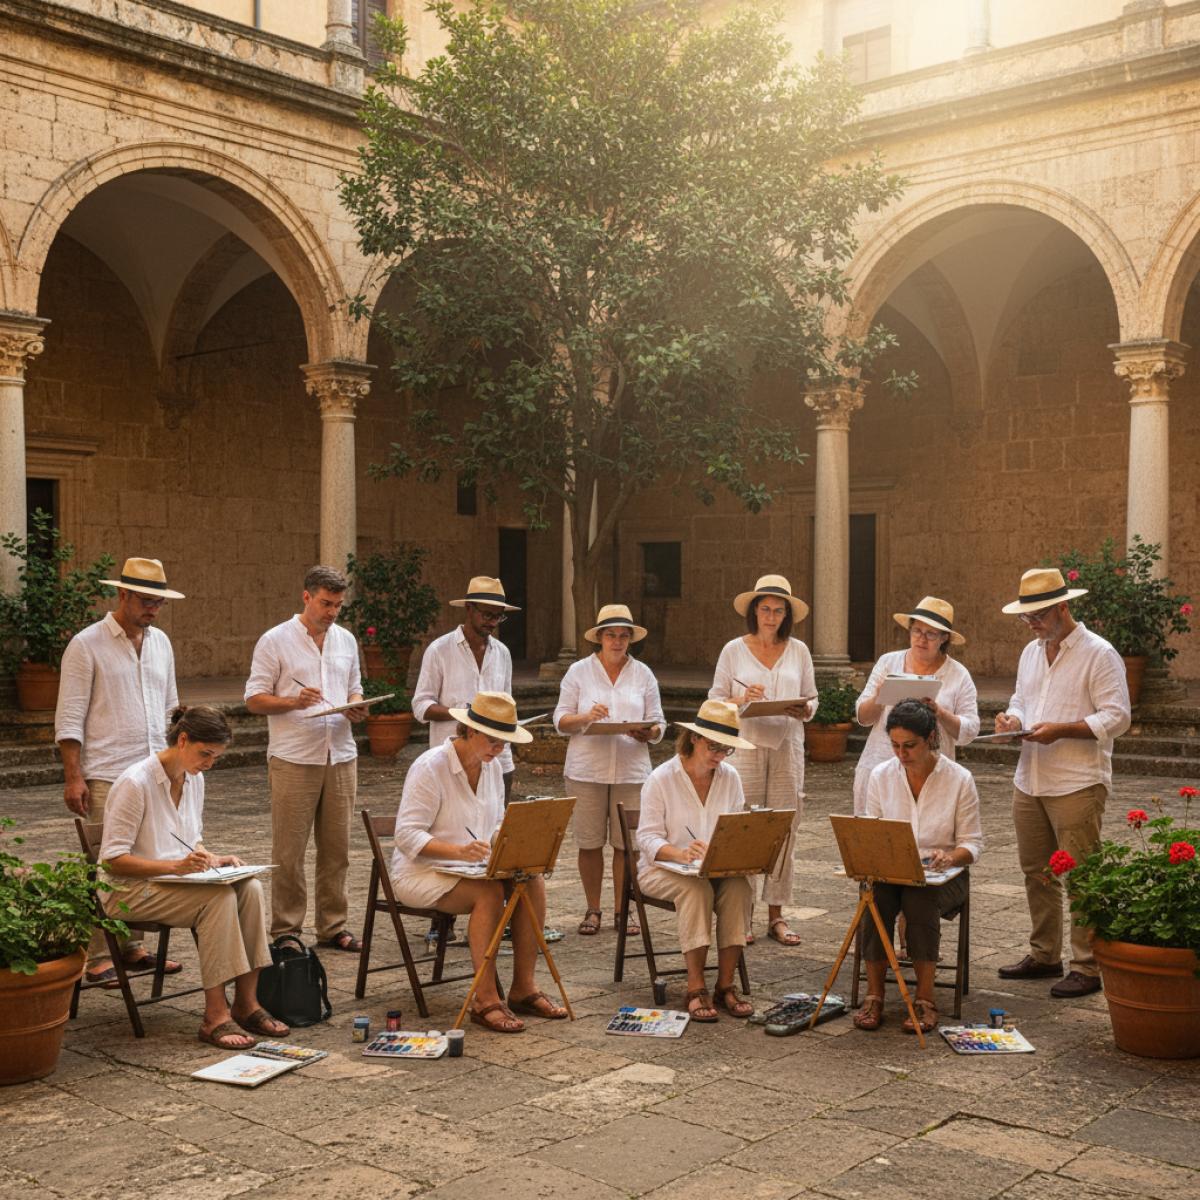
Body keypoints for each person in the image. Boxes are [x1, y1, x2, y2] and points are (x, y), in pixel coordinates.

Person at [99, 705, 289, 1049]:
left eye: (216, 756)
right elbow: (112, 861)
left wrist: (213, 859)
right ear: (182, 740)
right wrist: (175, 868)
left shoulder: (193, 779)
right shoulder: (135, 782)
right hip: (127, 890)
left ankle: (247, 1002)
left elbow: (189, 839)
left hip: (173, 884)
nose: (210, 763)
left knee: (250, 887)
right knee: (217, 899)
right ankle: (214, 1015)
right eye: (206, 754)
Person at [390, 691, 568, 1033]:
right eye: (493, 740)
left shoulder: (493, 766)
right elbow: (406, 836)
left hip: (473, 869)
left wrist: (514, 847)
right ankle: (485, 999)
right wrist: (457, 851)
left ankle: (523, 987)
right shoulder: (430, 767)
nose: (498, 750)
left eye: (504, 743)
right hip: (422, 872)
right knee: (486, 895)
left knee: (531, 879)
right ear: (468, 731)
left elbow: (496, 823)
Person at [994, 567, 1131, 998]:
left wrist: (1062, 729)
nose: (1031, 623)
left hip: (1076, 780)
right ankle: (1045, 954)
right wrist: (1011, 718)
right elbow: (1021, 698)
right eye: (1025, 616)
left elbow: (1118, 716)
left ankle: (1088, 966)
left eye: (1038, 615)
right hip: (1030, 777)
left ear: (1062, 607)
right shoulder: (1031, 652)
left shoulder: (1099, 653)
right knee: (1037, 872)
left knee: (1081, 875)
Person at [55, 556, 185, 986]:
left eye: (159, 602)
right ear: (123, 594)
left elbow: (171, 708)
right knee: (107, 864)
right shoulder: (86, 644)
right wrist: (74, 776)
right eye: (146, 600)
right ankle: (96, 956)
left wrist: (178, 764)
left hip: (154, 772)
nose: (153, 608)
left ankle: (130, 947)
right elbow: (69, 718)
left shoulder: (161, 643)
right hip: (108, 772)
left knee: (145, 859)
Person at [245, 565, 366, 953]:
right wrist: (293, 702)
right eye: (326, 604)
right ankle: (286, 930)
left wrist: (356, 706)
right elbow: (254, 699)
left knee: (337, 849)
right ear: (306, 597)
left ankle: (333, 926)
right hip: (294, 756)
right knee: (290, 850)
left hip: (341, 754)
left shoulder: (345, 640)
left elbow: (355, 688)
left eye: (338, 605)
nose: (331, 612)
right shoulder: (274, 640)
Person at [854, 699, 983, 1034]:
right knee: (875, 896)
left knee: (920, 897)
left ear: (931, 738)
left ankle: (925, 997)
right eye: (895, 746)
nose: (901, 754)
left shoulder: (959, 779)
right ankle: (875, 994)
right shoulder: (882, 776)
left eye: (909, 746)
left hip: (944, 877)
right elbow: (871, 831)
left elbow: (973, 843)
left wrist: (950, 857)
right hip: (893, 872)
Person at [708, 574, 815, 946]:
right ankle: (744, 915)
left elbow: (811, 697)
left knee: (785, 827)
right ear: (754, 611)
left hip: (788, 744)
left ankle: (777, 914)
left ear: (787, 614)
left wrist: (805, 709)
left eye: (778, 610)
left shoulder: (798, 650)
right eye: (765, 609)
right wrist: (742, 701)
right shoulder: (733, 650)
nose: (771, 616)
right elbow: (715, 701)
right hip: (747, 746)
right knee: (746, 826)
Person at [637, 700, 756, 1021]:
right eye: (714, 748)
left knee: (739, 889)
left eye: (726, 750)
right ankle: (695, 986)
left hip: (713, 868)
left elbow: (735, 828)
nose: (719, 756)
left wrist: (735, 851)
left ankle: (726, 984)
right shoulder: (661, 778)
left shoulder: (729, 777)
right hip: (661, 868)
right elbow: (646, 839)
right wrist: (680, 853)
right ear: (695, 739)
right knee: (696, 891)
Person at [553, 604, 665, 936]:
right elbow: (560, 720)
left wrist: (649, 732)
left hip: (631, 770)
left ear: (631, 639)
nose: (617, 641)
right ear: (599, 638)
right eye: (611, 635)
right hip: (586, 769)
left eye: (623, 635)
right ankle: (593, 909)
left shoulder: (643, 673)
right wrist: (586, 717)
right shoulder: (578, 672)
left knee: (624, 845)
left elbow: (659, 722)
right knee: (589, 843)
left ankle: (621, 910)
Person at [853, 596, 980, 815]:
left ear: (944, 638)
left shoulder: (958, 674)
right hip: (881, 764)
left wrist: (939, 712)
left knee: (929, 837)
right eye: (916, 631)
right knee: (875, 837)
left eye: (931, 634)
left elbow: (969, 731)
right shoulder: (888, 663)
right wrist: (879, 696)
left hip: (932, 772)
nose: (922, 639)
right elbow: (863, 717)